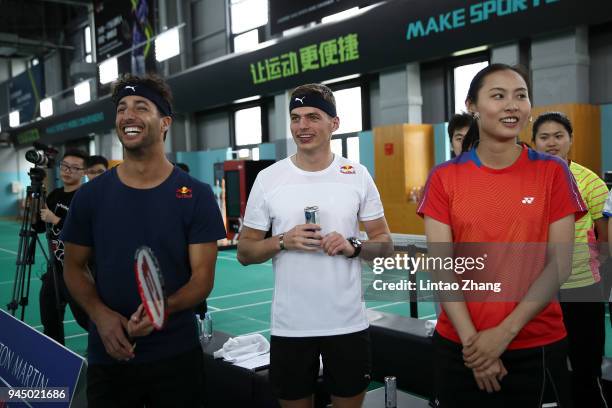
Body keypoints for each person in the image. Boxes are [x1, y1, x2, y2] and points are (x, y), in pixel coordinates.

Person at [417, 64, 586, 407]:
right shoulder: (444, 177)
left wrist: (502, 336)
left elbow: (560, 265)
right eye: (498, 96)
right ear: (472, 106)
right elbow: (442, 266)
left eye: (520, 96)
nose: (513, 105)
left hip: (536, 346)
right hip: (461, 350)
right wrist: (475, 346)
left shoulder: (553, 172)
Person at [62, 73, 226, 407]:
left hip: (176, 356)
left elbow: (202, 279)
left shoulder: (196, 195)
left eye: (141, 106)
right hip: (110, 357)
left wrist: (158, 310)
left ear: (165, 122)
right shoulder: (90, 197)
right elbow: (74, 267)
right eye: (122, 108)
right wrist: (102, 316)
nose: (128, 115)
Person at [237, 83, 392, 408]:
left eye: (312, 116)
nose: (302, 126)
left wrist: (354, 246)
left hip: (347, 324)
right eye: (295, 117)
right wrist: (282, 241)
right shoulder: (269, 179)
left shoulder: (357, 175)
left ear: (334, 123)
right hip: (291, 327)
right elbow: (245, 252)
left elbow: (384, 245)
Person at [532, 111, 609, 407]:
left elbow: (605, 240)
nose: (552, 143)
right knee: (546, 369)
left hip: (582, 287)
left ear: (570, 140)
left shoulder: (590, 182)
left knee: (586, 369)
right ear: (534, 142)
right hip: (540, 290)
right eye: (544, 137)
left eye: (559, 136)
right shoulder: (525, 181)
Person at [39, 148, 90, 344]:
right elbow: (37, 227)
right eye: (65, 166)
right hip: (55, 270)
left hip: (80, 270)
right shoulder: (55, 195)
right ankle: (55, 360)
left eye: (74, 168)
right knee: (49, 318)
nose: (67, 171)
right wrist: (37, 206)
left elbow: (83, 232)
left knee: (86, 319)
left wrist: (56, 219)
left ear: (83, 172)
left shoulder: (85, 196)